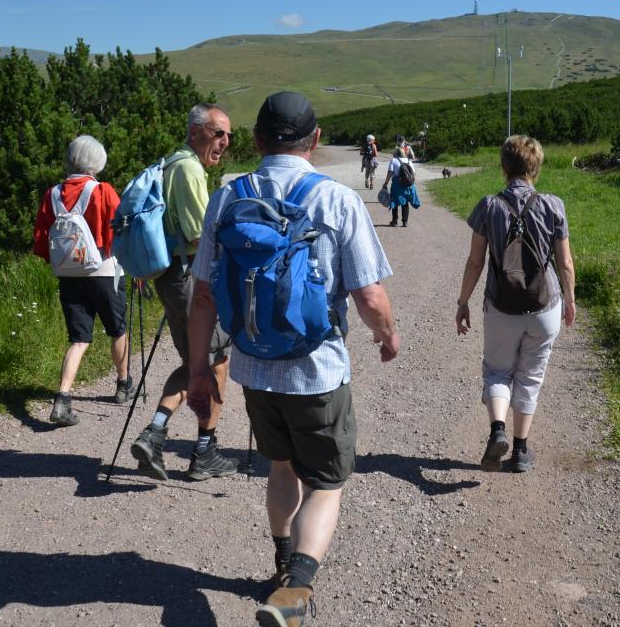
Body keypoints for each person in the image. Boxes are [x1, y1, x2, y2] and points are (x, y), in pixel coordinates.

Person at [187, 91, 399, 626]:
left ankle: (282, 558)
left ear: (256, 140)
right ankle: (294, 591)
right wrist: (387, 336)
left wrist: (197, 370)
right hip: (318, 367)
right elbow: (369, 297)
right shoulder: (337, 199)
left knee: (281, 466)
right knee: (327, 482)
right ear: (316, 139)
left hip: (253, 364)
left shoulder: (226, 197)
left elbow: (206, 295)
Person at [454, 135, 577, 473]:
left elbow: (475, 263)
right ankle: (520, 452)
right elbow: (565, 263)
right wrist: (570, 299)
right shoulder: (554, 205)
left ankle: (497, 430)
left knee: (497, 371)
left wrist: (463, 302)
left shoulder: (488, 206)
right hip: (544, 306)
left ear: (504, 167)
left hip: (500, 306)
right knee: (530, 377)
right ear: (536, 168)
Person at [130, 104, 238, 481]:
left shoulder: (173, 163)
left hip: (174, 275)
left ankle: (156, 433)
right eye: (217, 132)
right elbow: (199, 236)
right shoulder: (189, 168)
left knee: (198, 360)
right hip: (192, 276)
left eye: (228, 135)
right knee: (215, 360)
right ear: (195, 132)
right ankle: (200, 450)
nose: (224, 141)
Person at [32, 135, 130, 427]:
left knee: (79, 339)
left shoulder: (52, 194)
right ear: (97, 161)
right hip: (103, 272)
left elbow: (41, 240)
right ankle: (124, 385)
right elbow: (119, 233)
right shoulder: (102, 191)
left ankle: (62, 398)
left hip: (68, 275)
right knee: (117, 329)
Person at [381, 146, 420, 227]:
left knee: (394, 202)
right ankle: (405, 222)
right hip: (407, 185)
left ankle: (394, 221)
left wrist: (386, 183)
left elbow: (390, 172)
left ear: (396, 153)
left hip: (397, 184)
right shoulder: (409, 161)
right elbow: (414, 174)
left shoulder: (394, 160)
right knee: (405, 202)